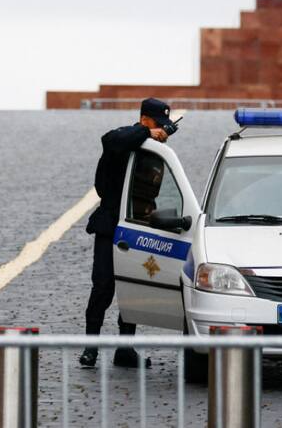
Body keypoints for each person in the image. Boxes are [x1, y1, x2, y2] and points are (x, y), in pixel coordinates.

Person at [79, 98, 176, 368]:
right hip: (111, 225)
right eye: (158, 125)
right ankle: (90, 348)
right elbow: (110, 140)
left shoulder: (154, 150)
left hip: (138, 226)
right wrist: (147, 133)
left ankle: (125, 348)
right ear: (145, 120)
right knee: (103, 287)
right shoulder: (126, 139)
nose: (162, 131)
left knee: (132, 289)